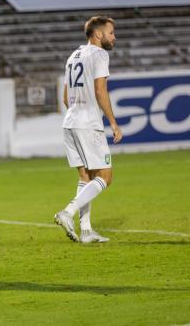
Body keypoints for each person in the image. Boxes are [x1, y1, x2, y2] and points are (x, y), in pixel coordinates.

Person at [54, 16, 122, 243]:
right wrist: (112, 122)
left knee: (86, 177)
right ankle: (67, 212)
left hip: (70, 122)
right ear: (98, 34)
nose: (114, 37)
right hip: (88, 124)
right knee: (105, 176)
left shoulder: (73, 56)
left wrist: (78, 113)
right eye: (111, 32)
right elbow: (101, 91)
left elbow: (65, 97)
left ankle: (85, 231)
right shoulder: (100, 54)